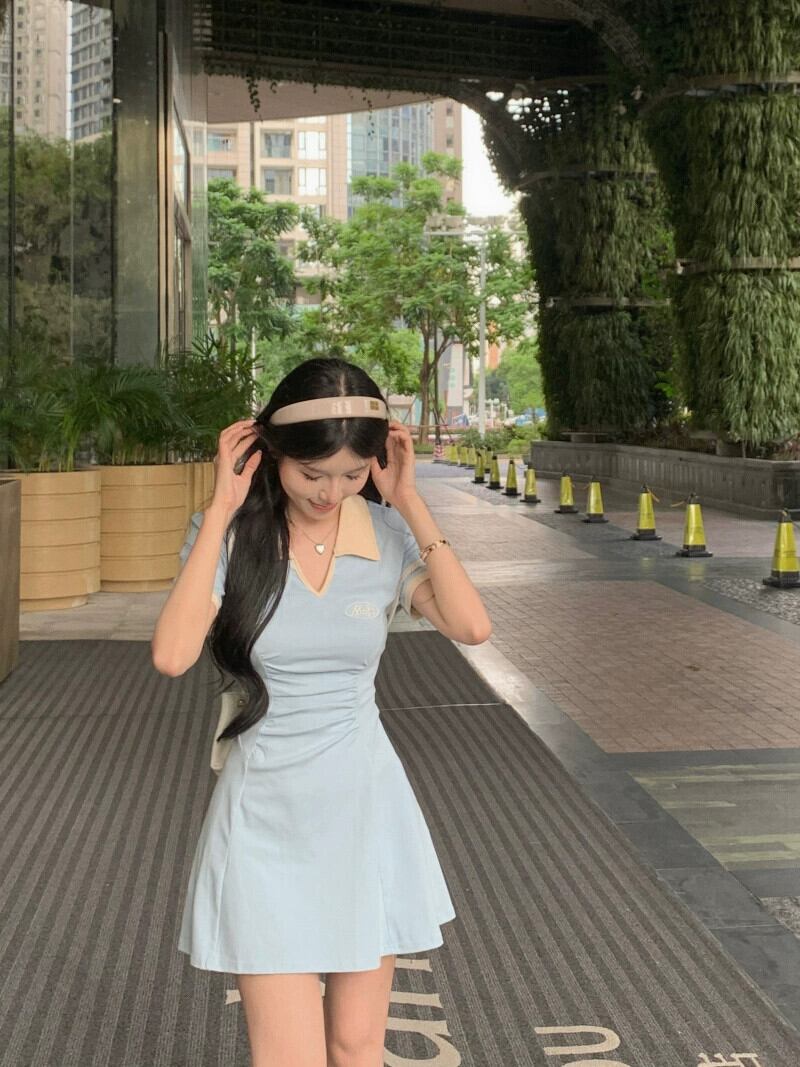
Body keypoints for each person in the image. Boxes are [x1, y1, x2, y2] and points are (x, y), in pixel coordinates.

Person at [151, 357, 492, 1067]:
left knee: (356, 1045)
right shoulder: (232, 537)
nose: (330, 492)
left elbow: (472, 626)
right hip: (265, 817)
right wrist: (220, 509)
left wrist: (410, 503)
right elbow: (173, 654)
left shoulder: (385, 534)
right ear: (272, 453)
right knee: (289, 1055)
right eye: (313, 473)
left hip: (364, 810)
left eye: (352, 474)